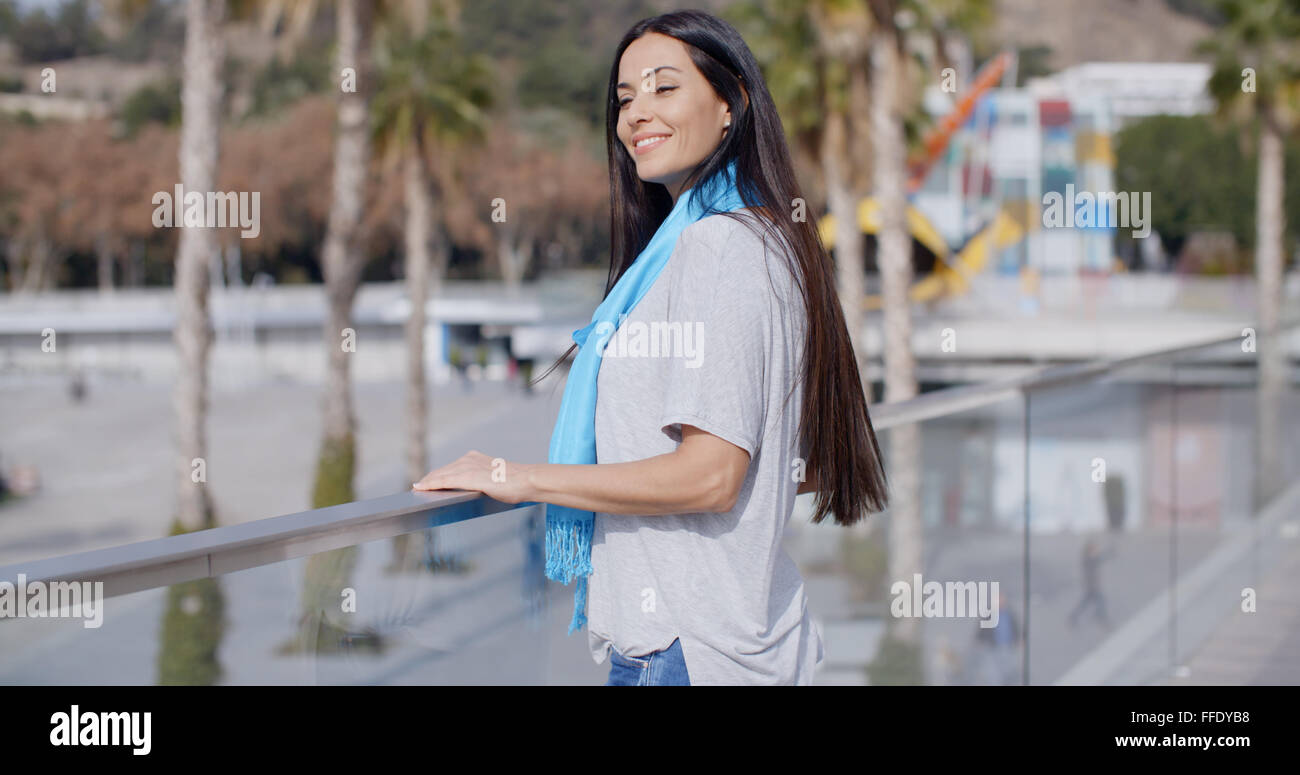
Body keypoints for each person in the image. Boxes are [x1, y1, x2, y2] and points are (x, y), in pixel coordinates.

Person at [413, 10, 888, 685]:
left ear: (732, 105)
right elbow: (788, 460)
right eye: (625, 97)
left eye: (664, 88)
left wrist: (515, 476)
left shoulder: (721, 246)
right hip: (717, 643)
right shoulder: (757, 239)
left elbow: (713, 474)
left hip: (690, 654)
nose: (637, 113)